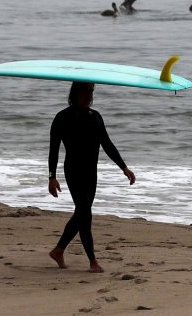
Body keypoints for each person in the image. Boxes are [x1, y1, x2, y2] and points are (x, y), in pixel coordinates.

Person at [47, 81, 135, 273]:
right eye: (85, 91)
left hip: (91, 173)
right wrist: (51, 177)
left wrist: (124, 167)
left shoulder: (95, 117)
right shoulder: (63, 117)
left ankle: (59, 250)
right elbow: (54, 149)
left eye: (91, 91)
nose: (89, 95)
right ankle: (92, 261)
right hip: (73, 170)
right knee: (85, 213)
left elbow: (107, 144)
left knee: (82, 214)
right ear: (75, 93)